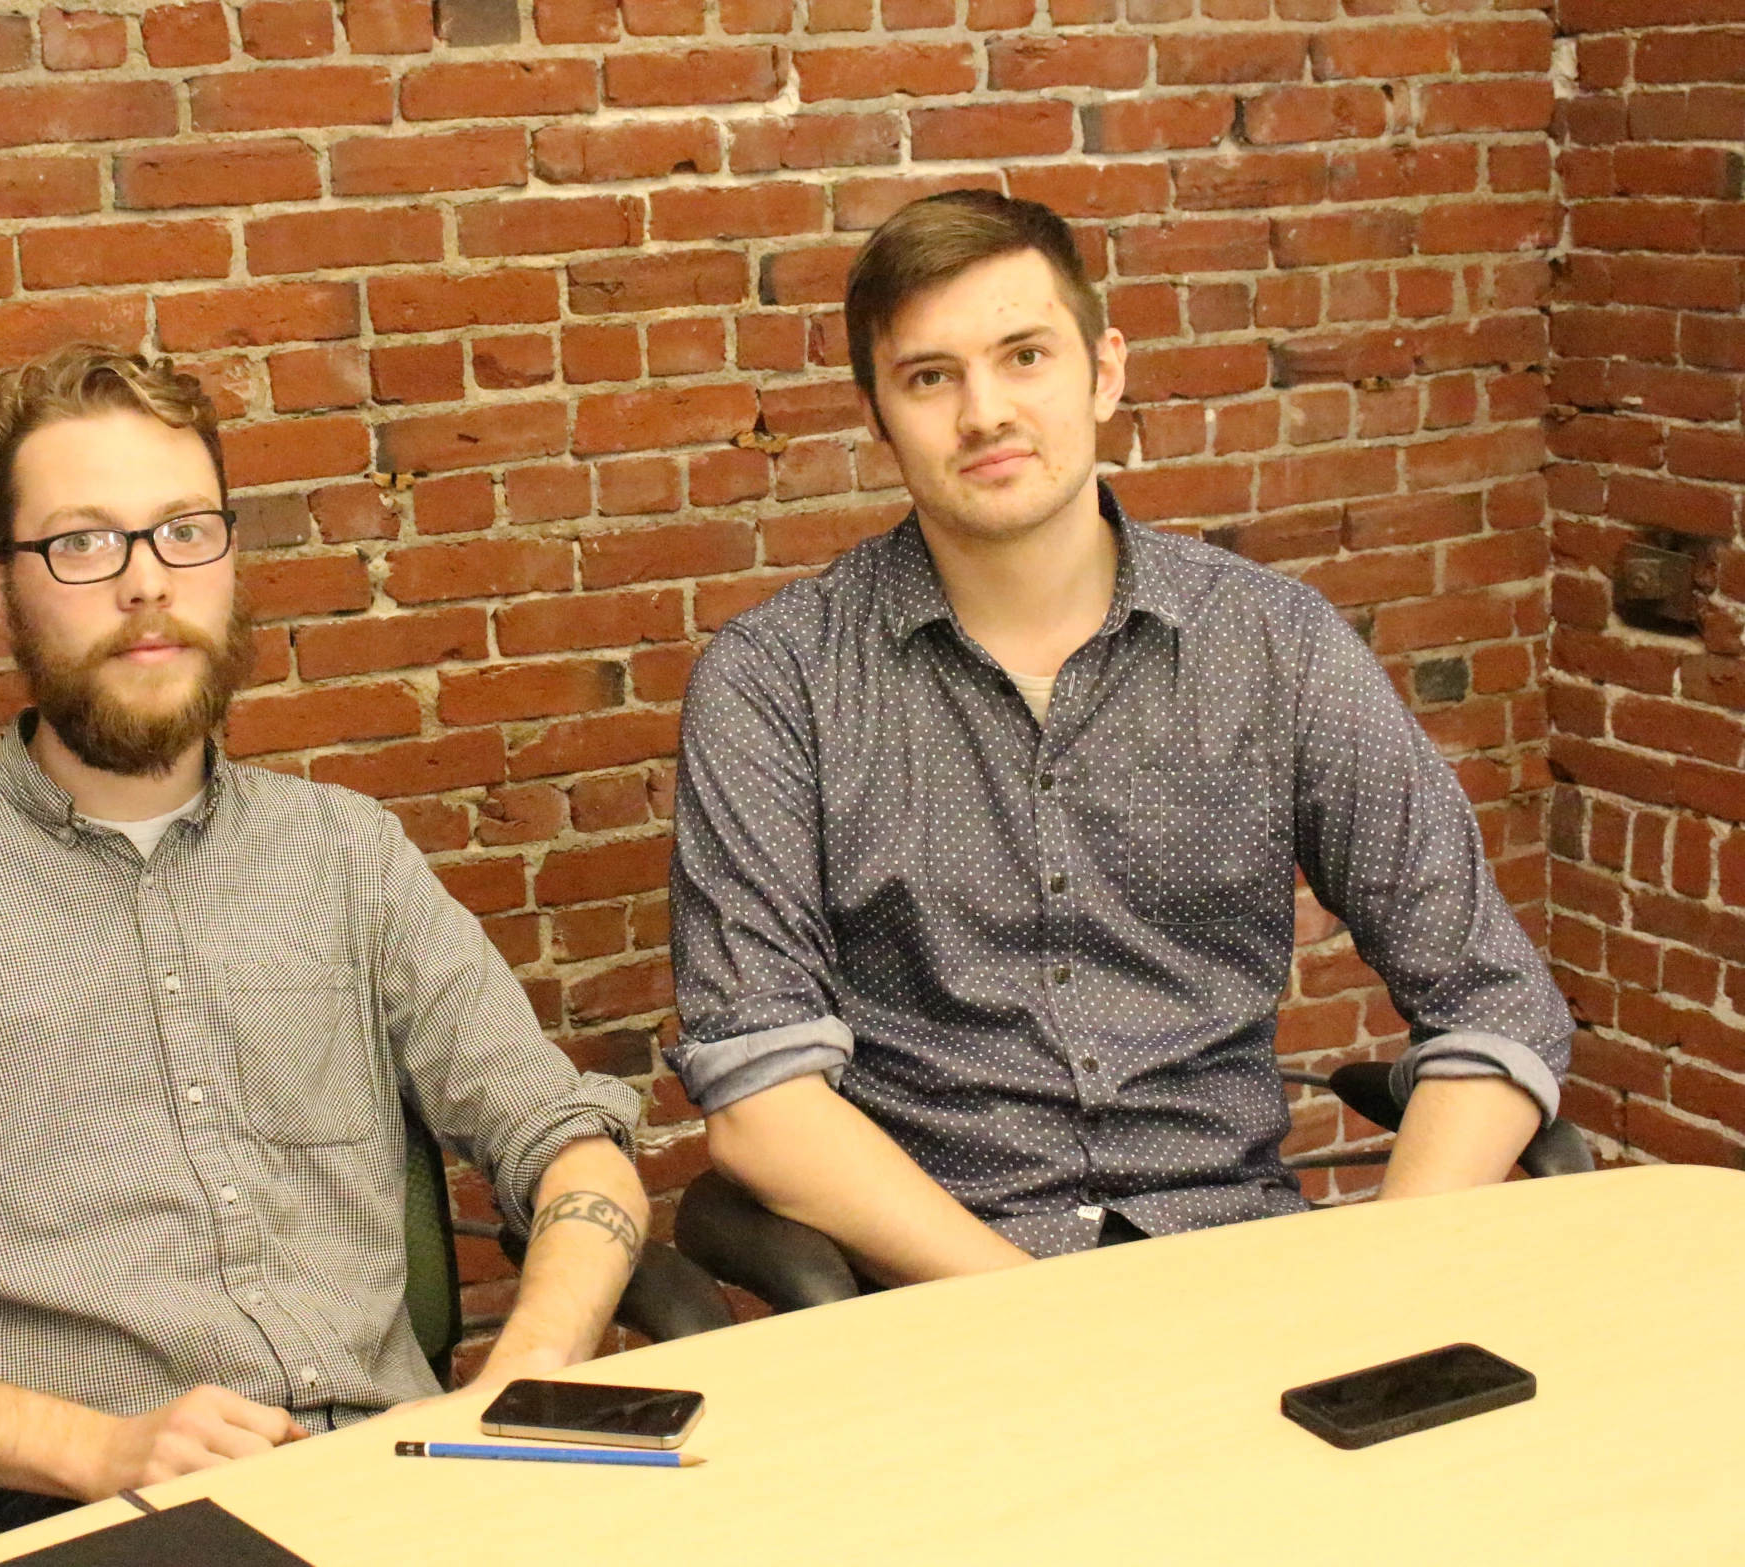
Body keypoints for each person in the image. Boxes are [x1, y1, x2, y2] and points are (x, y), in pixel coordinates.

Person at [0, 344, 650, 1548]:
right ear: (1, 589)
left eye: (184, 531)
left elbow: (577, 1152)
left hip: (397, 1482)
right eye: (83, 542)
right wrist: (104, 1448)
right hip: (94, 1512)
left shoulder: (346, 857)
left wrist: (528, 1378)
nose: (146, 583)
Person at [667, 190, 1573, 1281]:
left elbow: (1492, 996)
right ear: (879, 415)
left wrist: (1380, 1272)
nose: (984, 412)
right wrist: (1036, 1313)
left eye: (1023, 356)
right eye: (929, 376)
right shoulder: (779, 683)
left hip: (1236, 1261)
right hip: (940, 1295)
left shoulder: (1272, 645)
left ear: (1103, 370)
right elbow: (761, 1100)